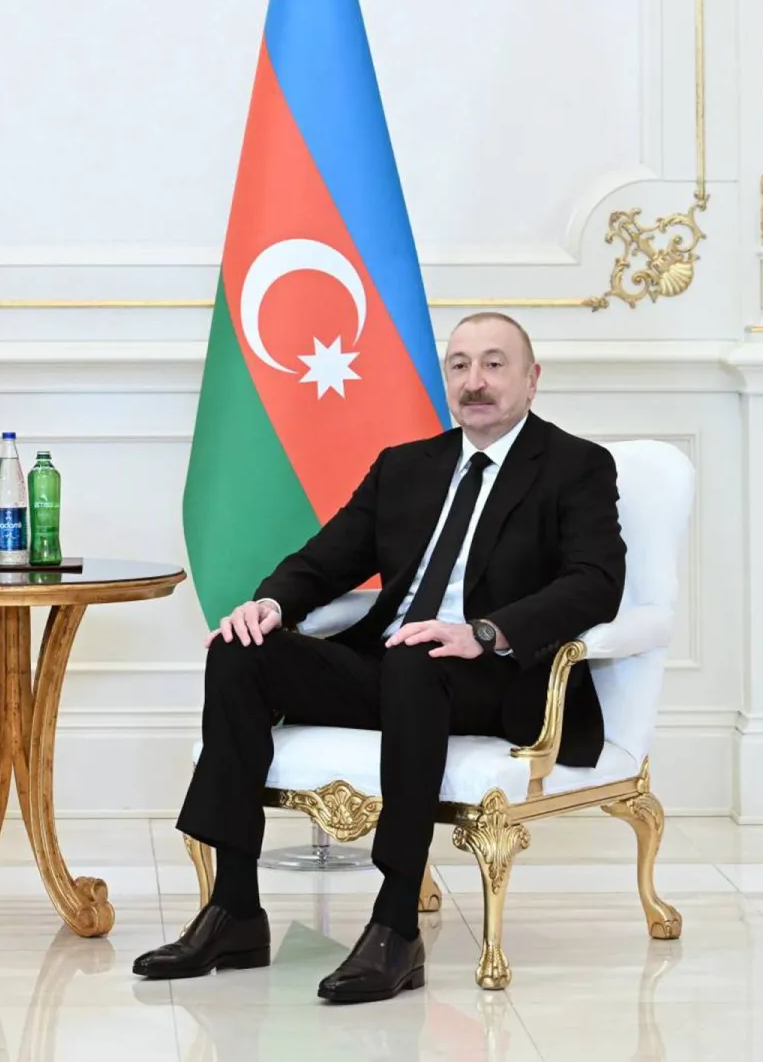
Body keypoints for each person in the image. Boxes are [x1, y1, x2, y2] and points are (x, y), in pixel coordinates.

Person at [133, 312, 625, 1003]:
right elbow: (323, 559)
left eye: (493, 363)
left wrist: (483, 631)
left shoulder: (575, 465)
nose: (474, 381)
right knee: (243, 652)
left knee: (417, 659)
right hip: (395, 665)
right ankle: (235, 910)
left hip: (492, 676)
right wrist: (271, 605)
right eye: (459, 365)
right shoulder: (407, 467)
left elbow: (596, 582)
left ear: (531, 378)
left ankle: (395, 925)